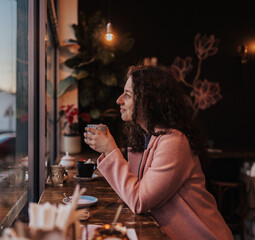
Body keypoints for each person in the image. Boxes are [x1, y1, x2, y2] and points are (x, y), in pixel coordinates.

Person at [83, 65, 233, 240]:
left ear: (149, 102)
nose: (119, 100)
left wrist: (110, 150)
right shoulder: (143, 138)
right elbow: (133, 193)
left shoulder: (174, 142)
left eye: (128, 95)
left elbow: (140, 201)